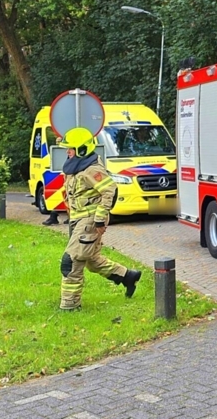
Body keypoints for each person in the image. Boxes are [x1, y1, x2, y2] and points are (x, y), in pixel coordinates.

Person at [59, 127, 141, 310]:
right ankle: (127, 276)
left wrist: (99, 219)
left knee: (71, 260)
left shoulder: (92, 170)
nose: (67, 152)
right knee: (91, 260)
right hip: (79, 220)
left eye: (70, 148)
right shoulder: (76, 167)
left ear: (81, 150)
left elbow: (110, 190)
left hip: (89, 220)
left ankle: (70, 306)